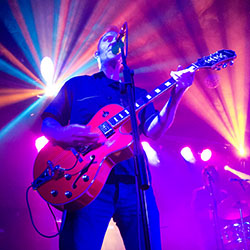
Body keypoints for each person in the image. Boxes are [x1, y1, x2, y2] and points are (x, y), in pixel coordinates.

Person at [41, 25, 194, 250]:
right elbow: (48, 122)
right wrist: (63, 134)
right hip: (85, 183)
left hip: (135, 185)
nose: (114, 41)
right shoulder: (78, 85)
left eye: (117, 38)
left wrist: (177, 93)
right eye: (107, 39)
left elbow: (154, 130)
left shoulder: (136, 94)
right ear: (97, 54)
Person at [192, 165, 228, 250]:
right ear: (204, 177)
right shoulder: (199, 193)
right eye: (209, 174)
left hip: (224, 231)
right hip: (207, 232)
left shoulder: (223, 193)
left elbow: (230, 212)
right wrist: (208, 213)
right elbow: (195, 212)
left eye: (213, 173)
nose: (211, 176)